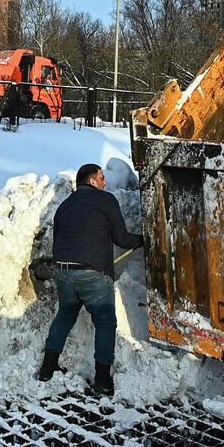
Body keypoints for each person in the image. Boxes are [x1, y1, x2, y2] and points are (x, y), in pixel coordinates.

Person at [38, 163, 146, 396]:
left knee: (65, 316)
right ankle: (102, 379)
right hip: (92, 273)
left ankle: (47, 368)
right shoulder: (106, 201)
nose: (105, 183)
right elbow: (121, 238)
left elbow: (58, 241)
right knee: (105, 322)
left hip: (63, 271)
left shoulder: (64, 206)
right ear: (92, 181)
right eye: (102, 178)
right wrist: (144, 239)